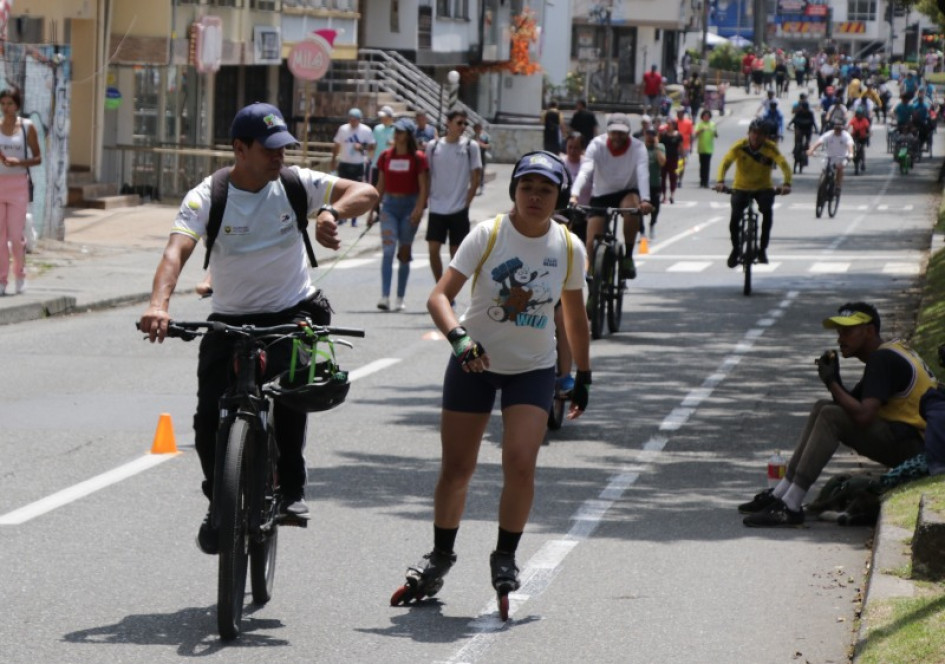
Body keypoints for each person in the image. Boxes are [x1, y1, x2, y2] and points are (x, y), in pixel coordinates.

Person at [138, 102, 378, 554]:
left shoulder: (294, 184)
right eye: (269, 149)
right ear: (239, 148)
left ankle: (290, 489)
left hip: (292, 312)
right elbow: (176, 251)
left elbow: (366, 191)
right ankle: (220, 502)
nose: (279, 157)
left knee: (290, 396)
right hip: (229, 319)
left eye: (283, 148)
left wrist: (331, 212)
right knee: (208, 417)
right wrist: (158, 305)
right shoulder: (208, 196)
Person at [394, 150, 591, 606]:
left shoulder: (567, 246)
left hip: (532, 370)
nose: (535, 197)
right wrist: (460, 341)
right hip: (473, 365)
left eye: (546, 190)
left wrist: (583, 374)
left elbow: (575, 317)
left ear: (559, 196)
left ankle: (505, 555)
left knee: (521, 463)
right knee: (457, 469)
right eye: (527, 188)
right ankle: (441, 556)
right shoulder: (488, 234)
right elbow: (439, 298)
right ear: (514, 192)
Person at [739, 303, 937, 527]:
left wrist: (832, 382)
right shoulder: (888, 352)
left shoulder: (882, 360)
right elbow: (849, 405)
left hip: (921, 453)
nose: (840, 338)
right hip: (917, 443)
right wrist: (834, 380)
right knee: (823, 407)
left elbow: (862, 417)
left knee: (830, 416)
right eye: (839, 332)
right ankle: (781, 494)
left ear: (870, 331)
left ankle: (791, 505)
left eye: (848, 331)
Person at [571, 113, 653, 279]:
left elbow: (643, 174)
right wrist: (574, 194)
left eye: (621, 133)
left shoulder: (638, 148)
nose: (617, 136)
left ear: (628, 132)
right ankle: (592, 276)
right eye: (614, 132)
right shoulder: (597, 144)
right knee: (591, 238)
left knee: (631, 209)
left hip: (627, 191)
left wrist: (645, 199)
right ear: (608, 132)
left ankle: (628, 256)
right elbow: (586, 170)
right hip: (601, 194)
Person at [368, 118, 429, 312]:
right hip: (389, 207)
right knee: (388, 251)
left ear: (409, 135)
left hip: (410, 207)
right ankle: (384, 296)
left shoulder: (418, 158)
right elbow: (380, 185)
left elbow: (423, 187)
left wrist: (419, 208)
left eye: (401, 132)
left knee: (404, 253)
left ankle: (400, 297)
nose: (397, 135)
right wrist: (372, 209)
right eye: (396, 131)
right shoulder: (386, 156)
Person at [715, 118, 792, 267]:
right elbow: (726, 162)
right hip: (741, 187)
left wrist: (787, 183)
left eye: (760, 134)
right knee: (734, 219)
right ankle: (736, 249)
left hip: (763, 188)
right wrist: (720, 181)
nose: (756, 137)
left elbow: (783, 164)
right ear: (748, 133)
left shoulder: (771, 148)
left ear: (766, 136)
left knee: (767, 214)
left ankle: (762, 249)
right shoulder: (739, 146)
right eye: (753, 133)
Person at [425, 109, 482, 285]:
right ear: (448, 123)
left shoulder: (470, 146)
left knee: (456, 253)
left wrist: (467, 201)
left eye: (465, 124)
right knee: (433, 249)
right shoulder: (433, 146)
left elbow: (476, 176)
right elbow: (427, 175)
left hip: (458, 207)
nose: (463, 127)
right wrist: (424, 200)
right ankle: (439, 285)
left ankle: (449, 290)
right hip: (437, 206)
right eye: (459, 123)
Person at [0, 86, 41, 296]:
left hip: (18, 185)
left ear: (17, 105)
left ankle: (21, 275)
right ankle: (1, 280)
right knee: (0, 237)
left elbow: (38, 158)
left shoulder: (27, 127)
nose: (6, 108)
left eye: (10, 104)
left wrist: (19, 161)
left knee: (16, 236)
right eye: (3, 104)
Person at [331, 108, 375, 226]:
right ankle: (341, 216)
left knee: (356, 191)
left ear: (359, 120)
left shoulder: (366, 130)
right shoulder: (343, 129)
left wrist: (362, 147)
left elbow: (371, 146)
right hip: (345, 163)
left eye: (355, 120)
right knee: (341, 191)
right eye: (351, 119)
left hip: (358, 164)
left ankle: (354, 217)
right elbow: (337, 144)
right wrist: (333, 159)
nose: (352, 122)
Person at [808, 121, 854, 194]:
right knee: (824, 170)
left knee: (839, 168)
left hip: (842, 157)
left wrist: (851, 154)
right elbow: (819, 142)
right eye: (836, 129)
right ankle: (822, 185)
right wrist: (811, 150)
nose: (838, 131)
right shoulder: (829, 134)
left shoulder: (846, 136)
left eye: (839, 129)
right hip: (829, 157)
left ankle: (838, 185)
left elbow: (850, 146)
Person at [643, 127, 666, 237]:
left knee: (655, 207)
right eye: (648, 134)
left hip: (655, 183)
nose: (650, 136)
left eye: (653, 134)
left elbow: (662, 162)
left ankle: (652, 225)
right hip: (642, 185)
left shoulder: (660, 147)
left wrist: (656, 147)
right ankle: (641, 230)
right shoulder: (641, 148)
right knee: (638, 209)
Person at [369, 105, 395, 187]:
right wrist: (371, 157)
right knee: (375, 187)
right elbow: (373, 145)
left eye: (384, 116)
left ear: (390, 117)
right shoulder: (377, 128)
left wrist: (394, 143)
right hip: (377, 163)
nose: (381, 118)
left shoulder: (397, 129)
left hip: (391, 164)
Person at [659, 118, 683, 204]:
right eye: (667, 124)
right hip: (664, 158)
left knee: (673, 177)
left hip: (674, 158)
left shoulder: (678, 135)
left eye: (670, 124)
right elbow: (659, 145)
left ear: (674, 125)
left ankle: (672, 195)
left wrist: (682, 158)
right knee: (663, 177)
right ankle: (664, 196)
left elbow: (680, 147)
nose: (668, 126)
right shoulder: (663, 135)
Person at [693, 109, 718, 189]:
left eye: (707, 116)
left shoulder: (712, 124)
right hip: (701, 148)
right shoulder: (700, 124)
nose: (706, 117)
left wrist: (714, 132)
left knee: (707, 165)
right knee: (702, 165)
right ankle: (702, 181)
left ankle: (706, 182)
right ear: (702, 117)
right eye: (705, 116)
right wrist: (701, 130)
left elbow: (716, 135)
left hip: (709, 148)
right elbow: (695, 133)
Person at [472, 122, 491, 195]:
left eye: (479, 128)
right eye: (476, 128)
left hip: (482, 157)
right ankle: (474, 187)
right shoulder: (472, 137)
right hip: (474, 158)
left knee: (481, 173)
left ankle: (481, 187)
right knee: (474, 173)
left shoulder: (485, 137)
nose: (478, 130)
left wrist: (481, 145)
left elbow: (489, 146)